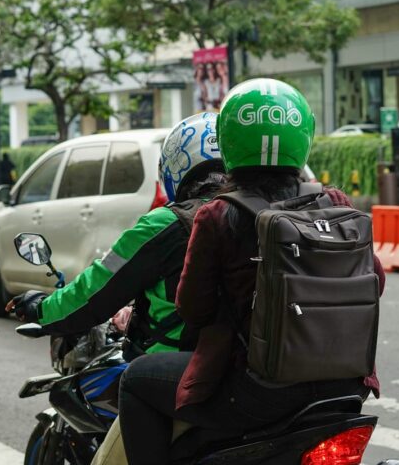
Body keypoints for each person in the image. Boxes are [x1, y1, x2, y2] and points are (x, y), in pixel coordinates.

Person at [118, 79, 385, 465]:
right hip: (346, 386)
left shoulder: (218, 214)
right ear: (303, 136)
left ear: (227, 140)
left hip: (258, 392)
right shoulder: (334, 202)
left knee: (136, 380)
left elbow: (193, 308)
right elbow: (375, 282)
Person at [5, 112, 225, 465]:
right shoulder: (268, 216)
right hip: (268, 384)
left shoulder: (170, 223)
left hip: (186, 381)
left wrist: (42, 309)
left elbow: (93, 292)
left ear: (177, 165)